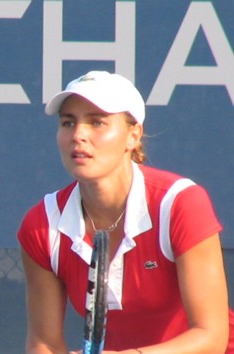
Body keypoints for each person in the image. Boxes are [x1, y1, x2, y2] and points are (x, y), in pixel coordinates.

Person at [17, 70, 234, 353]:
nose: (79, 135)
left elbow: (211, 337)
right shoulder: (41, 226)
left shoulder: (180, 203)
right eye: (68, 122)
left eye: (97, 122)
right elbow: (44, 342)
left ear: (133, 135)